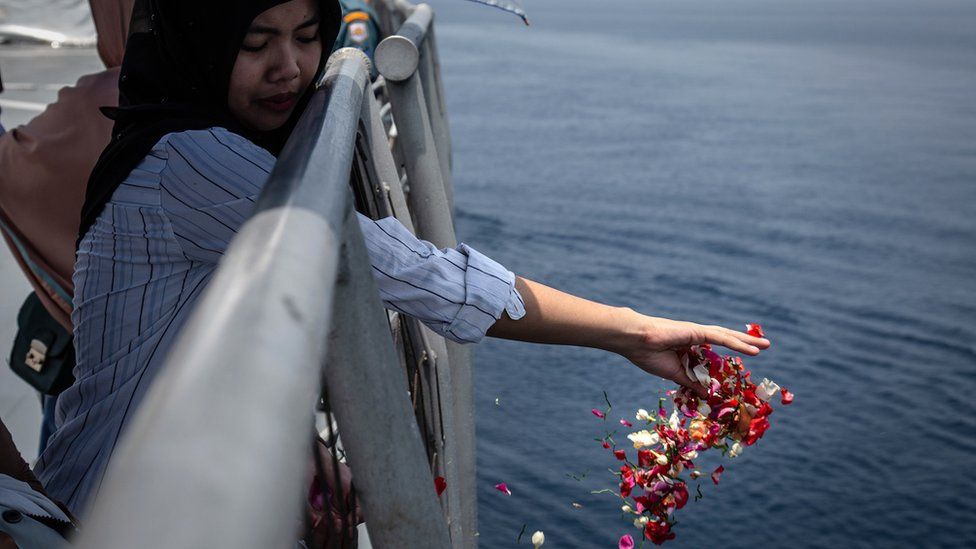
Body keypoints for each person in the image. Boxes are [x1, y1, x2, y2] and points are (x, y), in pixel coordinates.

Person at [34, 0, 770, 521]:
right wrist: (631, 330)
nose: (290, 66)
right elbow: (423, 275)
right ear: (201, 37)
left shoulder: (189, 136)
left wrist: (290, 449)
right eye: (256, 42)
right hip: (108, 514)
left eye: (308, 33)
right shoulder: (192, 160)